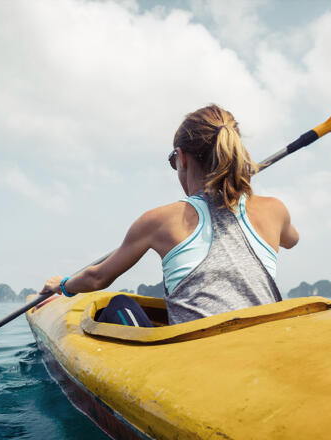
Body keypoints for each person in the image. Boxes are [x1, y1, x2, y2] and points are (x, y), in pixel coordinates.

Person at [41, 104, 299, 326]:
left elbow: (97, 278)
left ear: (181, 158)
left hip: (198, 357)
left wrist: (61, 285)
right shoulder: (275, 210)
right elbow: (291, 240)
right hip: (265, 343)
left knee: (119, 304)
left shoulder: (159, 220)